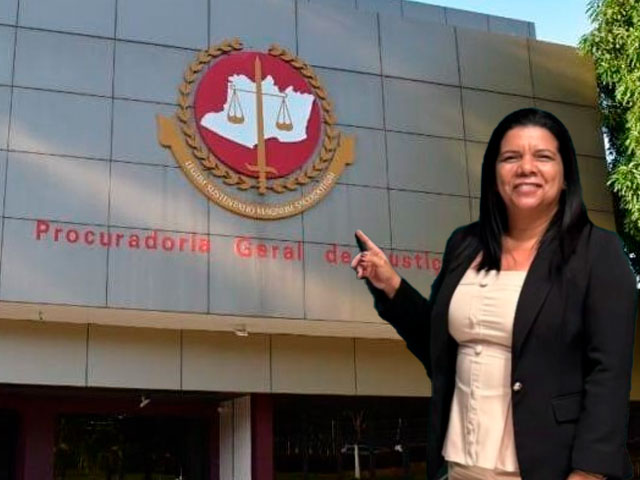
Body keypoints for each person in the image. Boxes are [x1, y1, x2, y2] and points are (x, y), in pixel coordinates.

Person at [351, 108, 637, 480]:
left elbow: (609, 373)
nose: (526, 168)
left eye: (543, 156)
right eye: (511, 157)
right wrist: (391, 285)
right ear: (494, 174)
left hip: (549, 467)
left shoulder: (598, 252)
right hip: (460, 466)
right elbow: (439, 351)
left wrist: (589, 472)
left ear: (566, 175)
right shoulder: (464, 244)